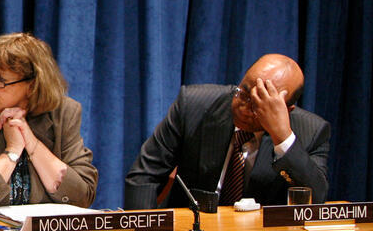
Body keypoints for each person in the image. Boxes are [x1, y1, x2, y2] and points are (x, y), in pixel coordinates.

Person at [125, 54, 329, 209]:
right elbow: (144, 177)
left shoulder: (311, 131)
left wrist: (282, 138)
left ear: (287, 109)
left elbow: (316, 200)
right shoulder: (194, 106)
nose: (245, 107)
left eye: (261, 103)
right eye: (244, 92)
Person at [0, 33, 98, 207]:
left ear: (32, 85)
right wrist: (13, 151)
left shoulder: (64, 113)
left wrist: (32, 144)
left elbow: (82, 196)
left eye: (0, 81)